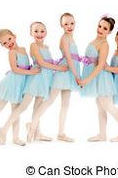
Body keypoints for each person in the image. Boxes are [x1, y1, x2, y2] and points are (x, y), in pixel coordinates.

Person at [0, 22, 68, 145]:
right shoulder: (33, 46)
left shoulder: (46, 47)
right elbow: (41, 63)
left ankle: (37, 132)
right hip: (36, 78)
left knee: (37, 107)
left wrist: (58, 64)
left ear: (46, 32)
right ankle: (4, 128)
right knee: (23, 106)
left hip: (45, 79)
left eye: (42, 31)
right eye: (36, 31)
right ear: (31, 33)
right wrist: (59, 68)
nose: (39, 34)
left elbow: (49, 62)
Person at [77, 16, 118, 145]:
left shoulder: (104, 44)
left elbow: (100, 66)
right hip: (96, 77)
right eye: (100, 26)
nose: (101, 30)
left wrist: (86, 80)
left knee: (108, 105)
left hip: (101, 78)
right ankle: (102, 134)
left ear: (109, 32)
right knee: (100, 105)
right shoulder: (94, 41)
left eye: (105, 28)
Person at [0, 29, 39, 146]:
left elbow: (26, 67)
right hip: (11, 83)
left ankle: (15, 137)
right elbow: (15, 69)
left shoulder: (23, 50)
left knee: (15, 111)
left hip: (19, 84)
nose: (8, 43)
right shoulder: (11, 52)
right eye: (4, 43)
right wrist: (31, 72)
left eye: (9, 39)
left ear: (14, 36)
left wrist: (31, 70)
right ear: (2, 45)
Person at [26, 12, 81, 142]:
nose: (69, 26)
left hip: (70, 72)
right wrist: (77, 76)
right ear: (61, 25)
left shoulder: (71, 38)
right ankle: (32, 126)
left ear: (75, 24)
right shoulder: (64, 39)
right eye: (66, 23)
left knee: (65, 105)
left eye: (72, 23)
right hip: (65, 72)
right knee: (49, 101)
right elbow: (68, 58)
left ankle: (61, 133)